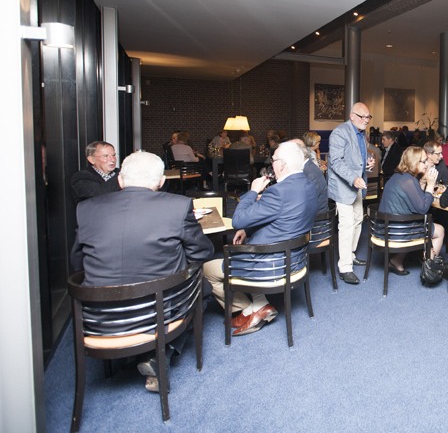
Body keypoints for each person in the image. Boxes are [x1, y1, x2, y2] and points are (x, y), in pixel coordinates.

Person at [70, 150, 213, 392]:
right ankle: (161, 353)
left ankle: (149, 354)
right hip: (156, 313)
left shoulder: (86, 209)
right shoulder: (177, 206)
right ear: (161, 181)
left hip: (99, 317)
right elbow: (202, 253)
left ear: (120, 180)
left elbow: (77, 262)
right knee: (204, 287)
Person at [204, 141, 318, 336]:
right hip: (295, 260)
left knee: (206, 271)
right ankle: (257, 306)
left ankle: (249, 308)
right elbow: (283, 220)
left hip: (269, 265)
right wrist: (248, 230)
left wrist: (253, 191)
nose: (271, 164)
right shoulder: (309, 186)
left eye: (273, 160)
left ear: (282, 165)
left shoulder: (278, 192)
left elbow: (237, 220)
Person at [328, 102, 375, 284]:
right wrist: (353, 178)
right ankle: (345, 267)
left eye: (368, 117)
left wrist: (367, 163)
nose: (366, 120)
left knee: (357, 220)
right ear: (352, 116)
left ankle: (351, 254)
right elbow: (336, 162)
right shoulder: (339, 133)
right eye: (363, 117)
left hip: (357, 184)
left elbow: (358, 157)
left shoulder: (362, 133)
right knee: (346, 224)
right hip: (344, 186)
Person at [378, 147, 446, 275]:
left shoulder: (399, 176)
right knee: (440, 230)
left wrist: (424, 182)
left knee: (416, 222)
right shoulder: (409, 180)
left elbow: (417, 199)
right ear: (414, 162)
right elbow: (423, 208)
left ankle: (396, 261)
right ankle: (430, 268)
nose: (426, 165)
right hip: (398, 230)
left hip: (386, 226)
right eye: (424, 161)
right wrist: (431, 185)